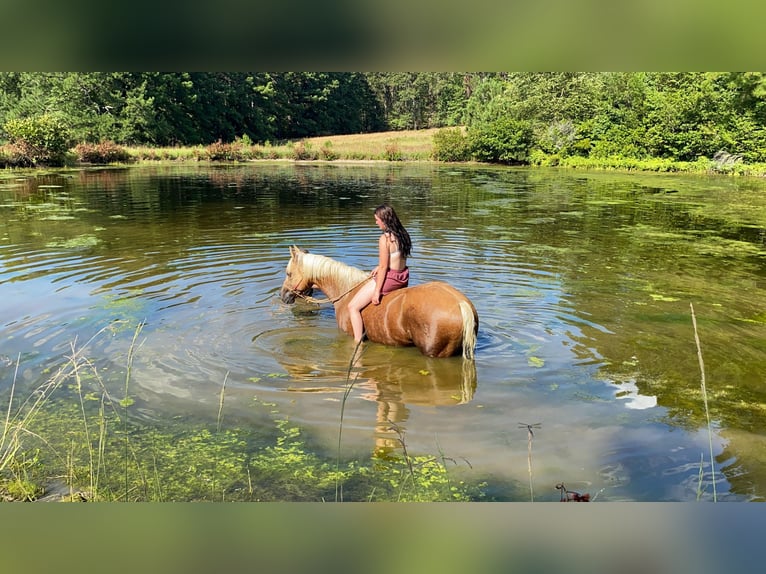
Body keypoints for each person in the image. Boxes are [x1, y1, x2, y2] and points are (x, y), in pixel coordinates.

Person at [348, 203, 412, 344]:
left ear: (384, 220)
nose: (376, 222)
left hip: (390, 279)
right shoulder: (403, 234)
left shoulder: (385, 239)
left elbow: (384, 268)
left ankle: (357, 342)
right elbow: (396, 257)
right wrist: (380, 266)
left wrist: (377, 291)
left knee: (352, 307)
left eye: (377, 219)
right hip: (402, 277)